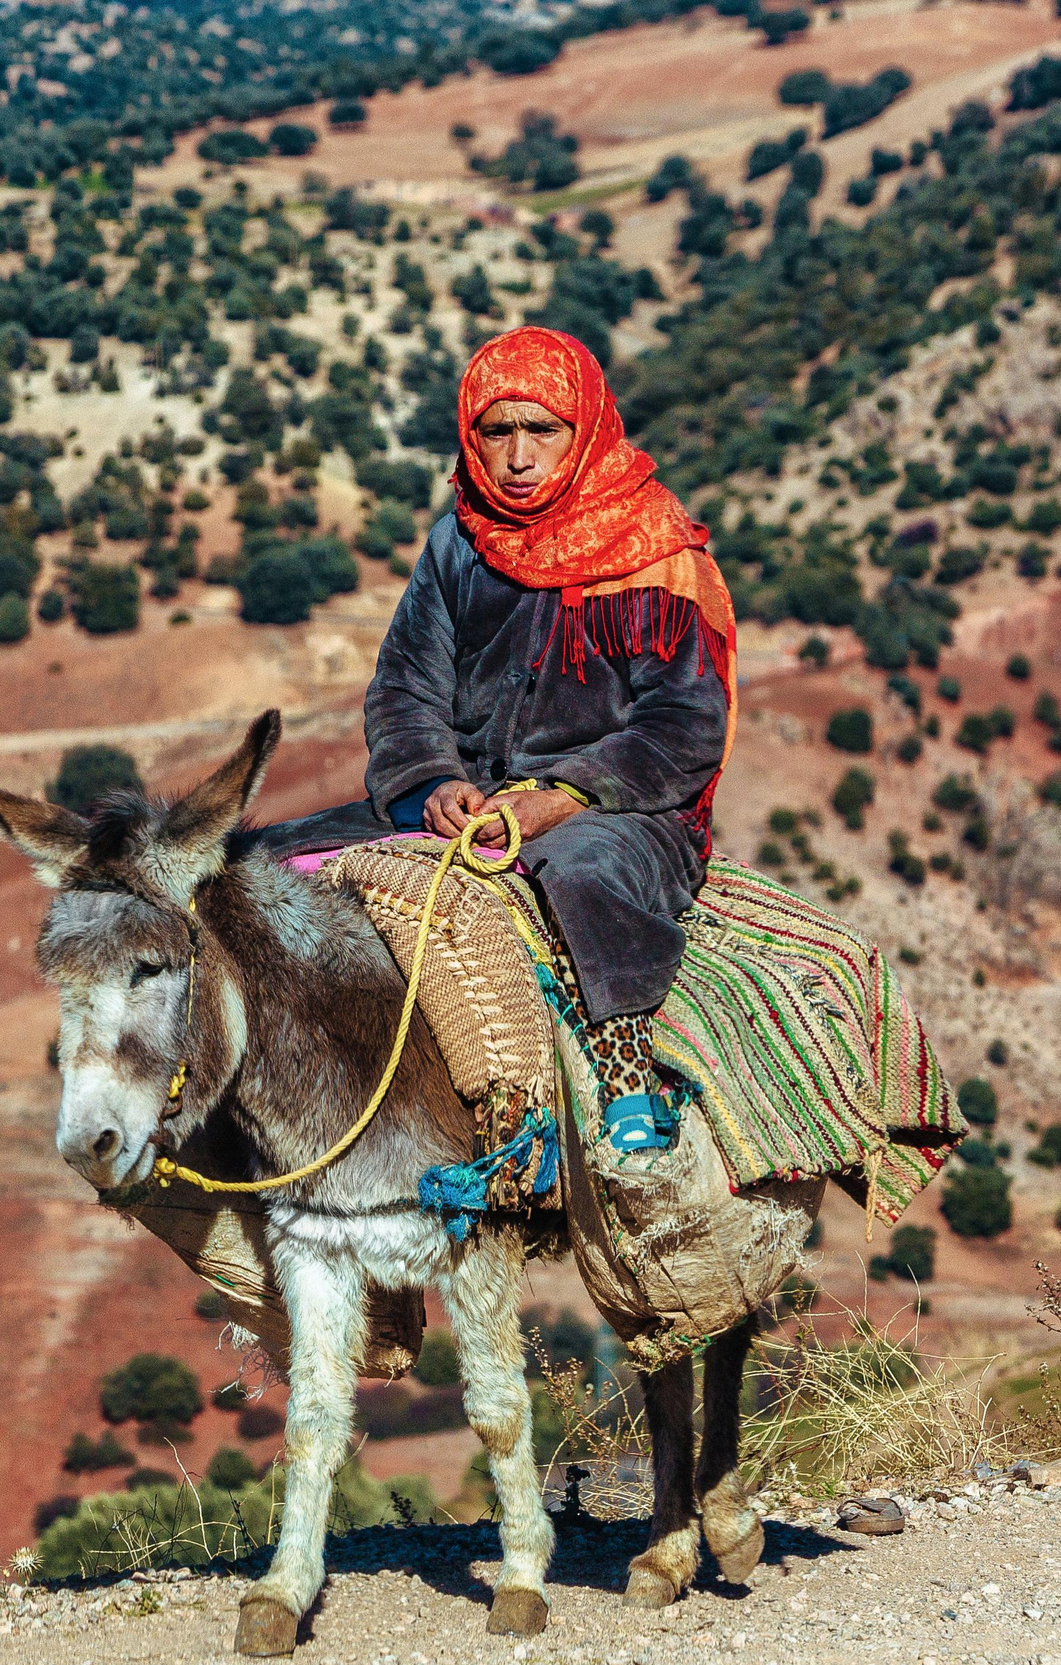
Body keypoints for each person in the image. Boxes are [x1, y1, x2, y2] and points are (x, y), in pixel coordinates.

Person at [259, 326, 737, 1150]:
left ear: (582, 430)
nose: (517, 456)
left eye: (540, 431)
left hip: (617, 808)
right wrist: (433, 781)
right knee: (257, 860)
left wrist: (563, 797)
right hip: (464, 797)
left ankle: (623, 1071)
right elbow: (406, 685)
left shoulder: (653, 553)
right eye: (496, 431)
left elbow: (684, 726)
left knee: (583, 873)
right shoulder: (458, 541)